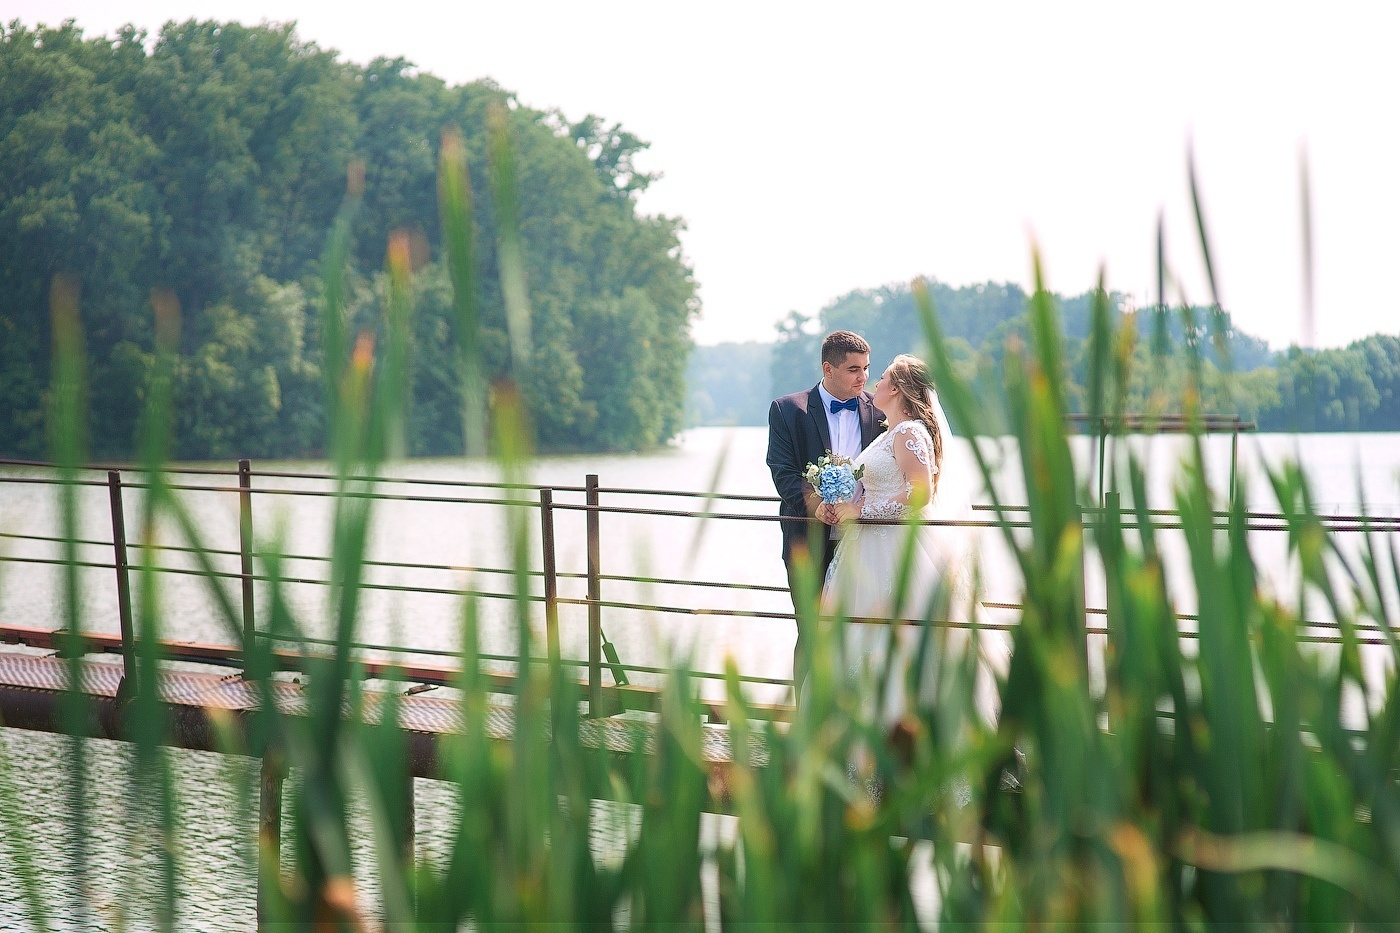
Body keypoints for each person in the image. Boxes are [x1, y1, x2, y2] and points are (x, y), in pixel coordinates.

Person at [821, 354, 1005, 729]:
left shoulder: (909, 432)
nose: (875, 382)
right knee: (862, 635)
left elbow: (920, 493)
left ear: (898, 390)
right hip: (869, 547)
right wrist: (838, 505)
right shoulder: (890, 433)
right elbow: (877, 487)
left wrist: (863, 513)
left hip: (896, 548)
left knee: (899, 635)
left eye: (883, 377)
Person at [766, 331, 885, 694]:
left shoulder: (881, 411)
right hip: (807, 543)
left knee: (862, 635)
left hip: (866, 544)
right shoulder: (788, 410)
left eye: (866, 368)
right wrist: (816, 506)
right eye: (853, 369)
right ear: (828, 369)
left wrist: (861, 510)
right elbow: (783, 472)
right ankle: (806, 720)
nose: (863, 377)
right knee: (812, 633)